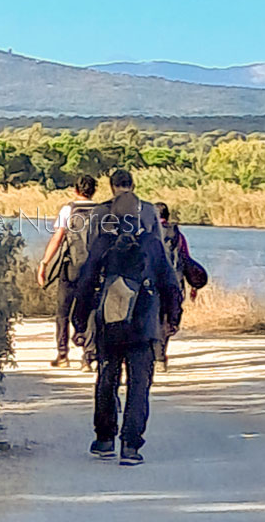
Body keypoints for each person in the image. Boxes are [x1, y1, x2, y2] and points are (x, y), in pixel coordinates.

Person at [73, 170, 182, 465]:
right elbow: (170, 282)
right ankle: (131, 445)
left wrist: (80, 323)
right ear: (138, 213)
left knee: (106, 378)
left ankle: (104, 438)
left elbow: (85, 283)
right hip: (144, 323)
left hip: (110, 323)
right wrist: (173, 317)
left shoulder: (102, 242)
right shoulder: (152, 243)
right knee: (138, 384)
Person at [37, 175, 99, 372]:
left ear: (76, 190)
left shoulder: (68, 209)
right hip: (94, 268)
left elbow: (58, 238)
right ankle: (88, 357)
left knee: (63, 311)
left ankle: (62, 354)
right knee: (90, 311)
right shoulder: (103, 211)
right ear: (94, 191)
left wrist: (44, 263)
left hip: (70, 266)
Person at [153, 202, 196, 373]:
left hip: (152, 283)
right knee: (167, 319)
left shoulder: (147, 233)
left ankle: (154, 355)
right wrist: (194, 284)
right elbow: (186, 259)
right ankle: (161, 357)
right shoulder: (178, 235)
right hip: (174, 283)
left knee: (152, 317)